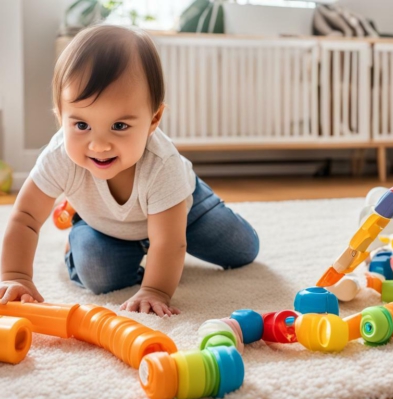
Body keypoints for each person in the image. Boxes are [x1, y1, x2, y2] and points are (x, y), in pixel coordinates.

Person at [0, 25, 259, 316]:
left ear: (153, 119)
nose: (98, 145)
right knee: (100, 275)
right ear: (61, 116)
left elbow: (169, 241)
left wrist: (155, 290)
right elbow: (25, 218)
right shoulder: (60, 156)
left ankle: (164, 255)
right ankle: (81, 230)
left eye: (119, 126)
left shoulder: (162, 164)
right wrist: (16, 276)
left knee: (242, 250)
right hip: (105, 223)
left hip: (183, 211)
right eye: (82, 125)